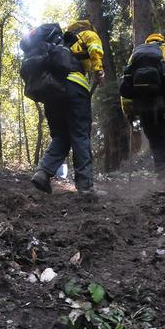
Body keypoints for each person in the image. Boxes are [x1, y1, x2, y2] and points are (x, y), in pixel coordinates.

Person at [30, 20, 106, 198]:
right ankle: (86, 187)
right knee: (80, 135)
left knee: (61, 136)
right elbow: (95, 49)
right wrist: (98, 70)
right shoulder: (86, 34)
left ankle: (43, 172)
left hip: (52, 91)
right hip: (74, 89)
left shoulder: (59, 44)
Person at [120, 33, 165, 190]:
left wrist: (128, 110)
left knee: (156, 142)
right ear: (162, 40)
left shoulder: (135, 55)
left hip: (144, 107)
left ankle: (163, 181)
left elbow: (127, 83)